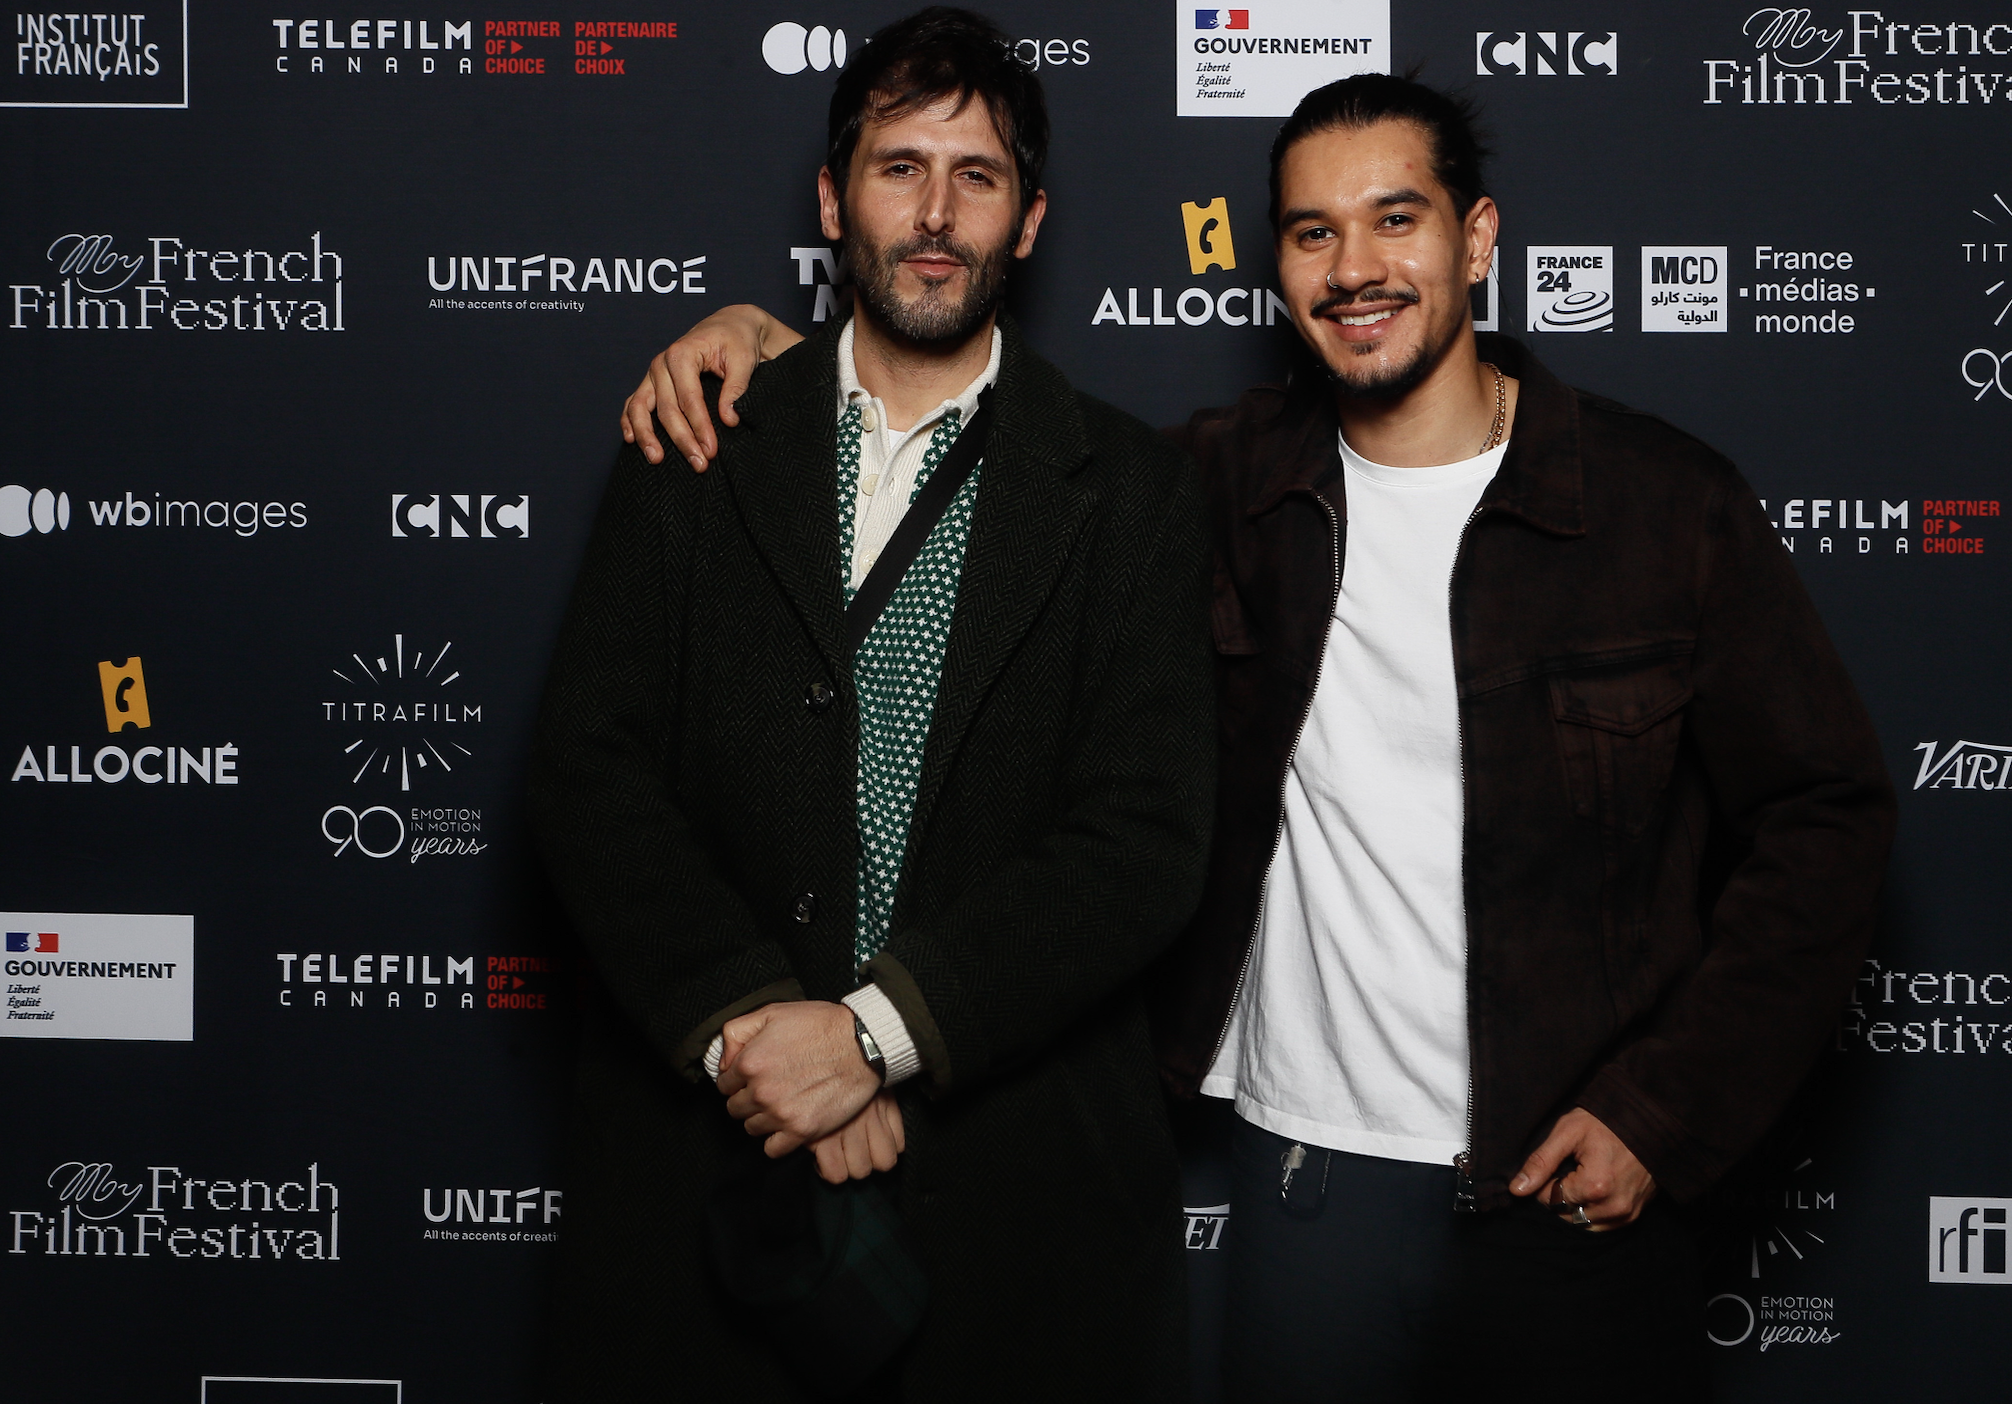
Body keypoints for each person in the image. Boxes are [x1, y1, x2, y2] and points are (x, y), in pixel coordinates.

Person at [622, 72, 1894, 1401]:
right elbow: (984, 452)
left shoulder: (1658, 507)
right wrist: (774, 347)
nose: (1355, 268)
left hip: (1571, 1198)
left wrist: (1664, 1111)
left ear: (1476, 238)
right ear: (1275, 267)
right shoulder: (1210, 485)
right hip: (1307, 1190)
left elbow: (1828, 817)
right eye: (1311, 233)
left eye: (1395, 220)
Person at [529, 10, 1213, 1401]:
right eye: (901, 168)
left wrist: (870, 1040)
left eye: (978, 176)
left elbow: (1141, 841)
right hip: (704, 1206)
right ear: (836, 199)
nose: (938, 213)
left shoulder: (1133, 493)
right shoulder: (699, 432)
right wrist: (751, 1035)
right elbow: (587, 771)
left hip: (1015, 1229)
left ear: (1029, 221)